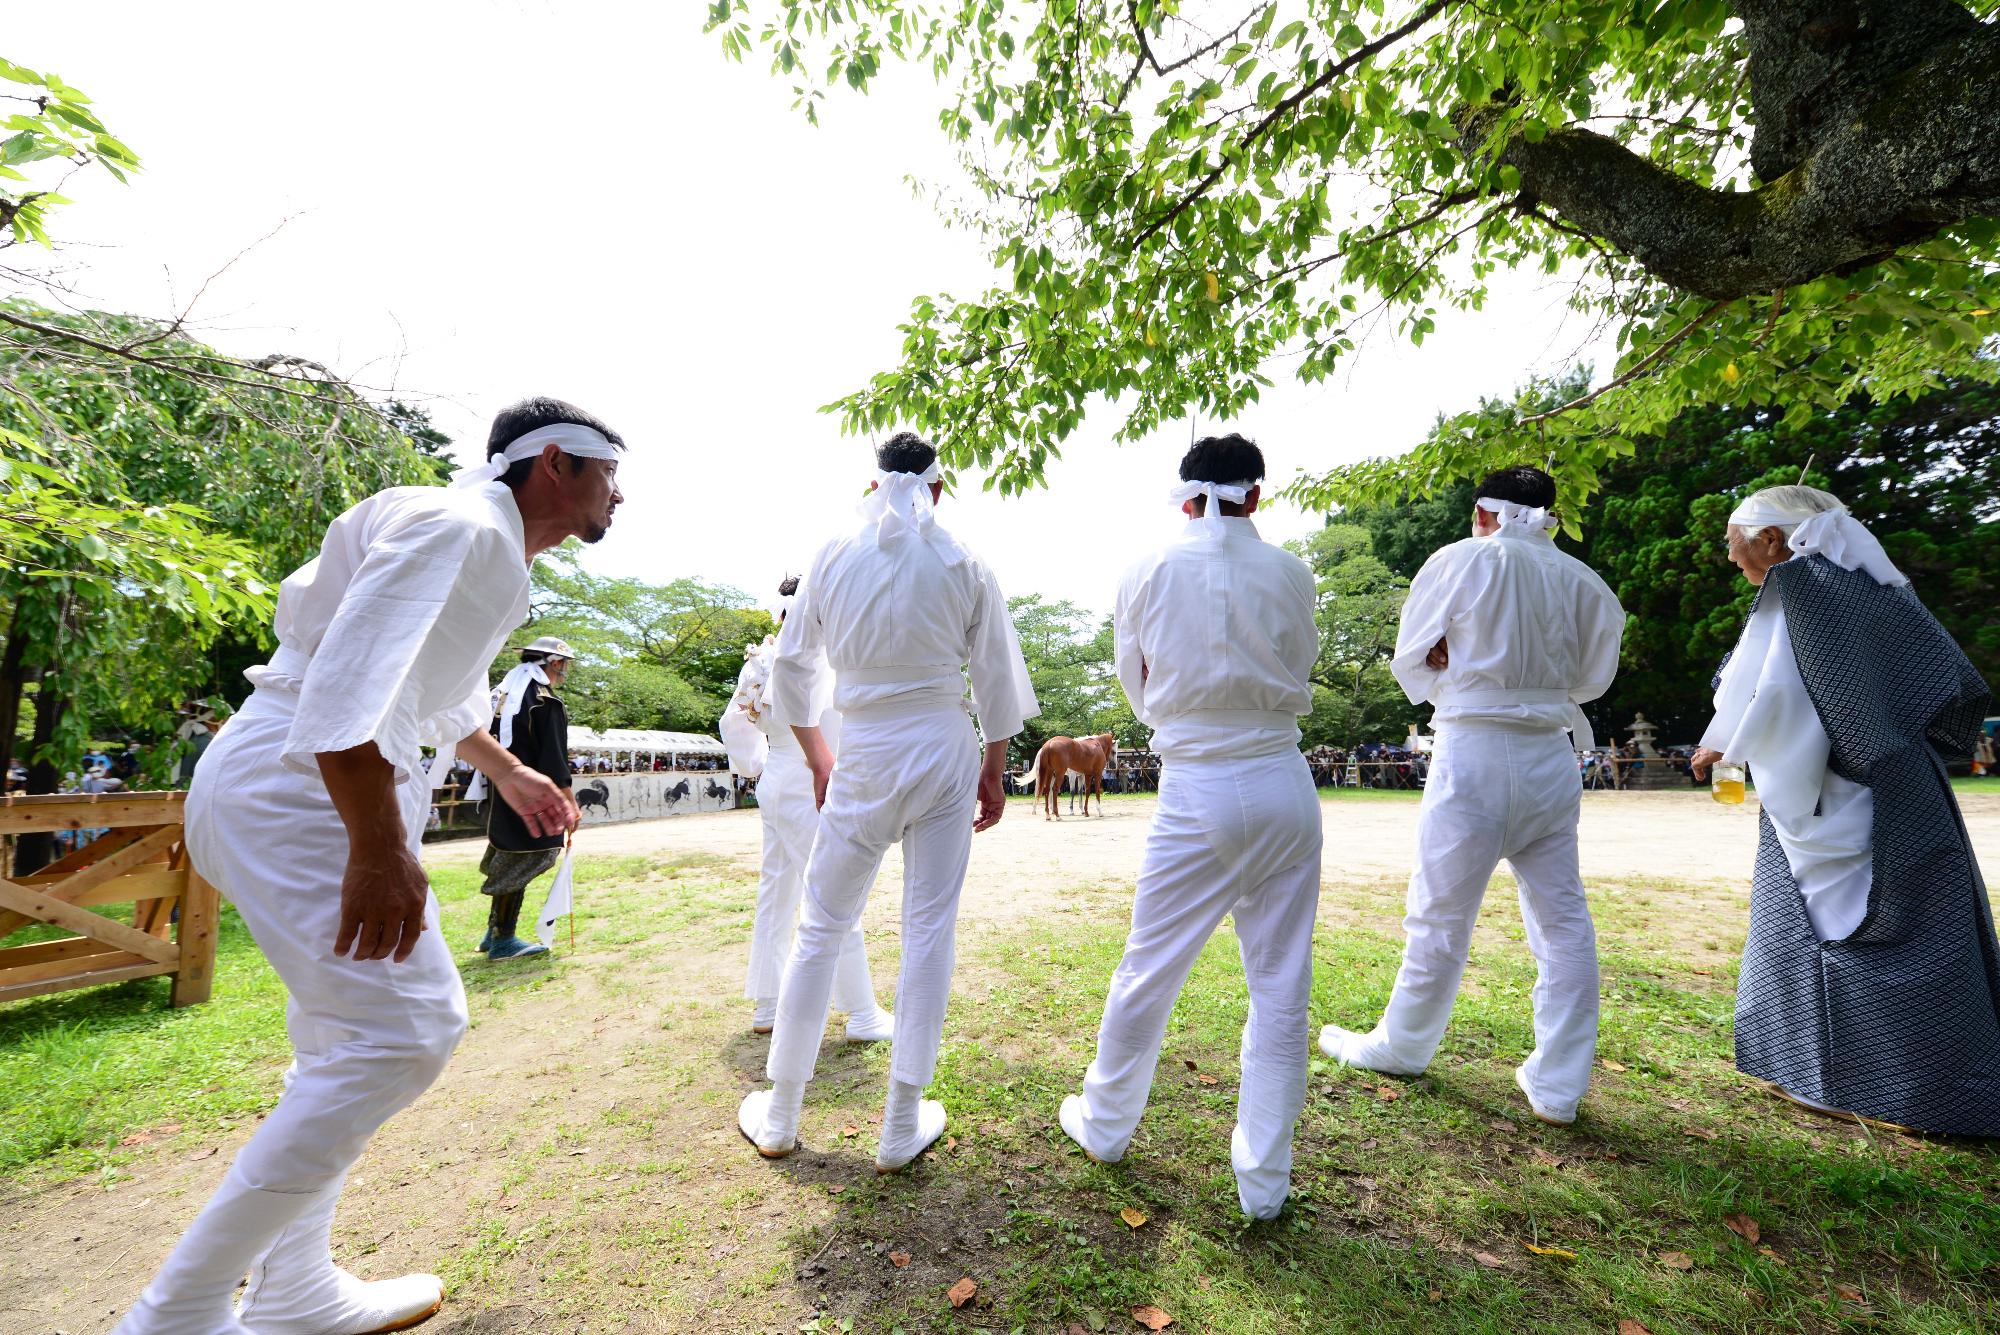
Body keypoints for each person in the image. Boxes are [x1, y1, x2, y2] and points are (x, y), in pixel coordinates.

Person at [114, 397, 623, 1335]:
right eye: (609, 474)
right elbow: (348, 679)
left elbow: (421, 683)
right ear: (556, 462)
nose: (618, 496)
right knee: (405, 1031)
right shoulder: (462, 526)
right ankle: (176, 1312)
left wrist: (507, 769)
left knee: (342, 1042)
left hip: (295, 780)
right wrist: (381, 847)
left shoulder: (486, 544)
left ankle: (296, 1286)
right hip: (302, 785)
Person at [736, 431, 1036, 1171]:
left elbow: (794, 669)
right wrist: (994, 768)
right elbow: (996, 678)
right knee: (929, 927)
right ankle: (901, 1120)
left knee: (821, 923)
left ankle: (780, 1112)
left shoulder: (834, 552)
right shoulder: (964, 557)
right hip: (941, 740)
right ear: (937, 486)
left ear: (874, 484)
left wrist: (818, 757)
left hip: (864, 746)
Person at [1056, 434, 1322, 1220]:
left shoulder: (1147, 568)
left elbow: (1135, 683)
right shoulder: (1293, 572)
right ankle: (1265, 1183)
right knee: (1280, 987)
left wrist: (1185, 716)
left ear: (1182, 496)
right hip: (1283, 779)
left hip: (1198, 782)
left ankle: (1106, 1124)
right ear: (1258, 495)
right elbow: (1300, 663)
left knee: (1149, 966)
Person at [1319, 466, 1625, 1127]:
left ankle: (1403, 1044)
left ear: (1483, 513)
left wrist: (1449, 667)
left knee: (1438, 915)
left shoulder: (1459, 561)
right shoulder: (1584, 582)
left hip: (1474, 749)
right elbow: (1593, 677)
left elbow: (1411, 659)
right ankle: (1559, 1084)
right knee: (1562, 920)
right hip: (1549, 751)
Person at [1689, 485, 1998, 1134]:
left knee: (1844, 924)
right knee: (1920, 920)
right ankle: (1931, 1078)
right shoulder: (1871, 587)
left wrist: (1725, 744)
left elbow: (1782, 694)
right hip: (1900, 781)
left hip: (1842, 792)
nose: (1728, 555)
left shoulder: (1807, 589)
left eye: (1732, 539)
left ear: (1772, 539)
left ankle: (1855, 1083)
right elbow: (1945, 683)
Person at [719, 576, 893, 1039]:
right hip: (814, 776)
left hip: (776, 776)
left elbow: (733, 723)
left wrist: (760, 764)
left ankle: (768, 1004)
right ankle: (860, 1011)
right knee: (833, 891)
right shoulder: (823, 659)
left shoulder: (760, 658)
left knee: (776, 892)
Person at [470, 636, 583, 962]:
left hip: (501, 794)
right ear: (556, 663)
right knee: (521, 860)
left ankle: (494, 933)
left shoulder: (503, 698)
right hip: (533, 797)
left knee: (510, 859)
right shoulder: (545, 701)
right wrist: (569, 804)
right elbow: (554, 761)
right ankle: (503, 939)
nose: (564, 672)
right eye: (564, 666)